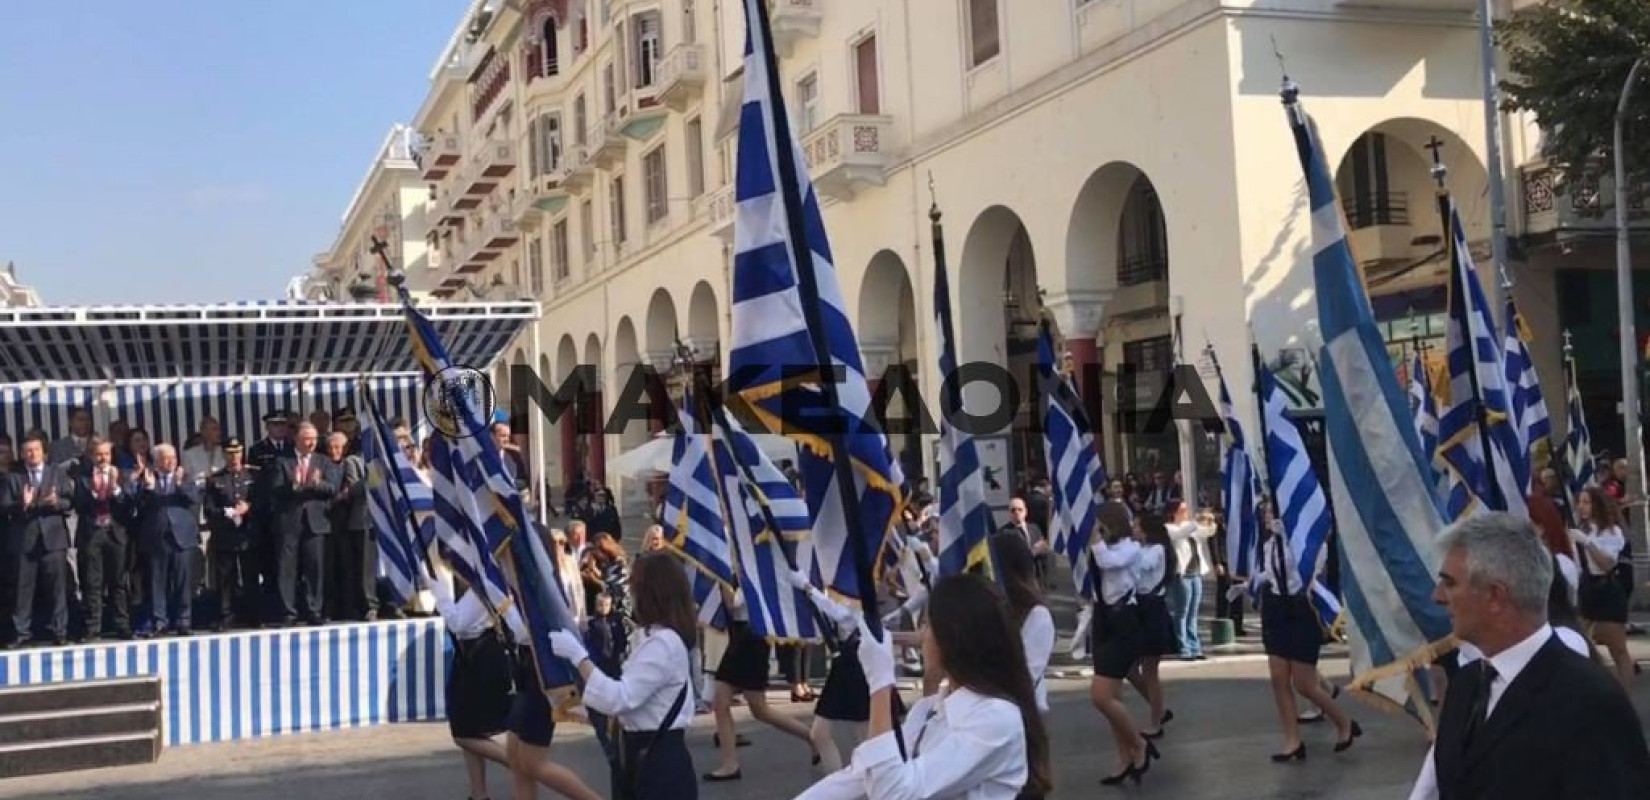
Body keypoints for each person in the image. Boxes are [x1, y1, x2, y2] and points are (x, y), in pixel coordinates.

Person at [1408, 512, 1650, 800]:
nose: (1437, 596)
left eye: (1449, 583)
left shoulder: (1590, 700)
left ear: (1495, 596)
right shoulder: (1467, 685)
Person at [793, 573, 1052, 800]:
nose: (921, 636)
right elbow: (858, 778)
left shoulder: (996, 718)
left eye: (928, 625)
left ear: (952, 638)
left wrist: (881, 684)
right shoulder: (929, 709)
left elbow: (894, 793)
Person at [549, 552, 699, 800]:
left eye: (635, 586)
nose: (630, 593)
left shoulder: (663, 643)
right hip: (643, 753)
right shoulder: (653, 637)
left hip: (658, 760)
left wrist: (579, 657)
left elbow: (620, 698)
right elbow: (635, 699)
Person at [1239, 501, 1359, 761]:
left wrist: (1289, 538)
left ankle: (1344, 722)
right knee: (1278, 680)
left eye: (1272, 512)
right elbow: (1270, 574)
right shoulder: (1269, 545)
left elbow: (1304, 575)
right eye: (1265, 513)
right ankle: (1292, 740)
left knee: (1304, 684)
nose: (1267, 517)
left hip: (1301, 608)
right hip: (1275, 609)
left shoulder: (1311, 543)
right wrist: (1252, 583)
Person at [504, 524, 604, 800]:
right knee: (515, 755)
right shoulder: (526, 582)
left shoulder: (547, 586)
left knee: (534, 762)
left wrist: (505, 609)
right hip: (526, 667)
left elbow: (540, 630)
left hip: (542, 669)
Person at [424, 569, 526, 800]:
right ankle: (478, 794)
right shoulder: (485, 579)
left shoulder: (487, 580)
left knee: (463, 733)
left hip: (483, 657)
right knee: (469, 725)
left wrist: (439, 593)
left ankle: (522, 766)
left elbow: (459, 624)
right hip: (474, 656)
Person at [702, 585, 815, 781]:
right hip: (742, 638)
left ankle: (813, 737)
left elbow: (733, 604)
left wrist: (721, 580)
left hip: (751, 639)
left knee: (756, 708)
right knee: (726, 703)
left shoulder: (751, 572)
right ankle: (730, 763)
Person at [1087, 519, 1155, 786]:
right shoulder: (1103, 547)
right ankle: (1124, 757)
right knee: (1113, 696)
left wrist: (1094, 538)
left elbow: (1108, 562)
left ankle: (1139, 744)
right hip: (1103, 620)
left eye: (1103, 526)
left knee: (1101, 696)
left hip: (1124, 621)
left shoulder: (1131, 548)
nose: (1100, 532)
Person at [782, 568, 870, 773]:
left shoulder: (855, 573)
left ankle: (878, 788)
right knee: (819, 733)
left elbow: (846, 617)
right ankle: (836, 788)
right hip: (843, 662)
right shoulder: (836, 575)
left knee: (866, 738)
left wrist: (807, 588)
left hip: (858, 661)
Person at [2, 432, 75, 647]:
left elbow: (70, 501)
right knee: (22, 588)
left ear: (44, 452)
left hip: (53, 538)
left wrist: (56, 502)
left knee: (57, 588)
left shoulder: (57, 473)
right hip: (24, 539)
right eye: (27, 451)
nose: (31, 454)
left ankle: (60, 631)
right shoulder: (13, 477)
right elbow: (4, 506)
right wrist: (21, 505)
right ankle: (21, 632)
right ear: (22, 454)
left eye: (35, 450)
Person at [272, 423, 340, 627]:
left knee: (315, 567)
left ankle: (314, 609)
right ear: (297, 440)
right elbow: (275, 490)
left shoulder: (323, 461)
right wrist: (294, 486)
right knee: (287, 568)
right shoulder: (283, 461)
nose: (312, 443)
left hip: (315, 521)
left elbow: (332, 487)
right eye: (307, 439)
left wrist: (315, 484)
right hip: (290, 521)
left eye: (315, 439)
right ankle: (288, 612)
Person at [1569, 485, 1635, 690]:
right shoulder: (1581, 529)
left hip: (1608, 591)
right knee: (1583, 645)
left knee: (1618, 650)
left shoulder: (1612, 531)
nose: (1582, 507)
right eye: (1580, 502)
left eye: (1586, 502)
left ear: (1597, 505)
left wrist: (1587, 543)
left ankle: (1625, 698)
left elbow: (1606, 564)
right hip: (1587, 589)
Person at [132, 444, 201, 637]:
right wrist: (148, 487)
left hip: (182, 535)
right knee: (157, 580)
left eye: (173, 457)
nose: (170, 461)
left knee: (183, 580)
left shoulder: (185, 477)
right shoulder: (148, 479)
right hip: (157, 536)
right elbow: (137, 503)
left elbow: (193, 499)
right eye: (166, 458)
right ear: (157, 461)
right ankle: (159, 621)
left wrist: (179, 485)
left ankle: (184, 620)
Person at [71, 436, 133, 641]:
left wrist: (114, 487)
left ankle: (122, 625)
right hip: (92, 533)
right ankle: (93, 628)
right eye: (98, 454)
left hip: (115, 533)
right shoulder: (82, 477)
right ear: (91, 455)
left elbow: (128, 506)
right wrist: (93, 492)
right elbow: (78, 505)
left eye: (106, 454)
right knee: (92, 583)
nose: (102, 458)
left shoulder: (122, 475)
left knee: (118, 582)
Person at [1127, 514, 1178, 737]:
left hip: (1152, 609)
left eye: (1137, 526)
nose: (1133, 530)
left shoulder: (1156, 549)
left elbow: (1144, 566)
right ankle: (1159, 708)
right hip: (1139, 608)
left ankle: (1155, 722)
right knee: (1130, 667)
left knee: (1150, 670)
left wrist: (1129, 550)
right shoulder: (1141, 548)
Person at [204, 438, 259, 631]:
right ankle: (225, 615)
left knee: (251, 576)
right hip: (225, 534)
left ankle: (253, 615)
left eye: (237, 452)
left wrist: (248, 507)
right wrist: (227, 512)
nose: (234, 456)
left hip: (248, 533)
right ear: (224, 454)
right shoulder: (215, 479)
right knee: (225, 577)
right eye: (230, 453)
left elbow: (263, 502)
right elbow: (209, 509)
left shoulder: (253, 475)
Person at [327, 431, 376, 622]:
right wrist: (375, 475)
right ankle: (368, 605)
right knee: (362, 568)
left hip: (378, 520)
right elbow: (354, 489)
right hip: (361, 520)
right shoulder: (353, 461)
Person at [1165, 501, 1216, 661]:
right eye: (1183, 509)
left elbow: (1207, 532)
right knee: (1182, 612)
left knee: (1193, 612)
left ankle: (1195, 647)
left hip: (1195, 573)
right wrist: (1196, 521)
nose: (1186, 512)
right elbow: (1181, 534)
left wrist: (1209, 520)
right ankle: (1183, 647)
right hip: (1182, 575)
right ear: (1174, 512)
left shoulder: (1189, 526)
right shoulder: (1169, 528)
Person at [999, 497, 1049, 588]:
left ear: (1025, 512)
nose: (1017, 512)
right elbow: (1008, 558)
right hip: (1019, 580)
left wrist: (1044, 549)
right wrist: (1032, 552)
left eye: (1020, 509)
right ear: (1009, 514)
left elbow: (1043, 554)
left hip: (1037, 577)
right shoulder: (1004, 533)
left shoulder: (1034, 528)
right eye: (1013, 510)